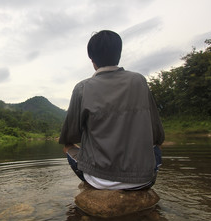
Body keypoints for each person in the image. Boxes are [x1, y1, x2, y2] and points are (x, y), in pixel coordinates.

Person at [59, 30, 165, 190]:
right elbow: (157, 135)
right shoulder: (139, 81)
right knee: (156, 146)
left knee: (68, 146)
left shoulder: (82, 88)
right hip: (143, 181)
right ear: (119, 54)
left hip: (98, 181)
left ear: (92, 59)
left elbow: (70, 136)